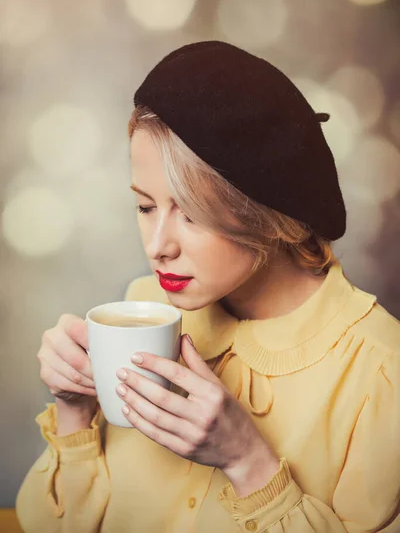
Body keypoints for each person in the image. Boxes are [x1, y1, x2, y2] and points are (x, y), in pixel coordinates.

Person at [16, 41, 400, 533]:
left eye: (192, 213)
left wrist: (248, 464)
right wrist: (75, 412)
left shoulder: (380, 374)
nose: (158, 247)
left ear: (266, 209)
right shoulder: (145, 309)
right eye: (145, 207)